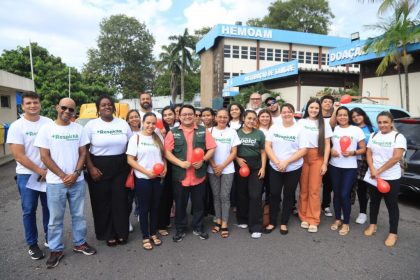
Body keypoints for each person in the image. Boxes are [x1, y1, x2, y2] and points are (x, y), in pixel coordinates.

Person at [34, 98, 96, 269]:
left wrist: (76, 173)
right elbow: (44, 156)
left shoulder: (79, 128)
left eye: (71, 109)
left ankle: (80, 243)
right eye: (64, 108)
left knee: (79, 216)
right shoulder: (46, 129)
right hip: (55, 182)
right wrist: (63, 176)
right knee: (55, 219)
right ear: (57, 108)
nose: (67, 111)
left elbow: (83, 152)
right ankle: (56, 249)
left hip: (77, 181)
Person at [7, 91, 52, 260]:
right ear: (22, 105)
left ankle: (49, 238)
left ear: (40, 103)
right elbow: (19, 155)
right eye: (28, 103)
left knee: (50, 208)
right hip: (27, 175)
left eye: (35, 102)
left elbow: (54, 147)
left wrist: (48, 171)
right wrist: (40, 171)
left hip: (49, 173)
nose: (32, 105)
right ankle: (32, 244)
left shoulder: (48, 123)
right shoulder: (17, 126)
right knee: (29, 210)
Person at [84, 95, 132, 247]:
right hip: (98, 166)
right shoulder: (91, 125)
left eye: (109, 104)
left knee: (120, 201)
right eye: (103, 105)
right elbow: (84, 150)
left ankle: (121, 232)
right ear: (98, 108)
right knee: (102, 202)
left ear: (114, 107)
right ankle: (107, 233)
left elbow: (130, 146)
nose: (107, 107)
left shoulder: (123, 124)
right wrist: (91, 168)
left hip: (121, 166)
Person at [164, 105, 216, 242]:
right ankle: (180, 229)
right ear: (179, 116)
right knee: (180, 204)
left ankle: (198, 227)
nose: (187, 116)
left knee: (199, 204)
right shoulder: (172, 132)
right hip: (180, 177)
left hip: (199, 176)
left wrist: (203, 159)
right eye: (184, 114)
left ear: (194, 116)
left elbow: (212, 148)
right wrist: (180, 163)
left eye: (190, 114)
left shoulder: (203, 131)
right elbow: (167, 152)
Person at [364, 111, 406, 247]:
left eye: (385, 122)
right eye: (380, 122)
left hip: (390, 177)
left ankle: (393, 233)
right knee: (374, 202)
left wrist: (378, 171)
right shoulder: (374, 135)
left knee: (391, 205)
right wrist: (372, 169)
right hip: (374, 176)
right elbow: (368, 152)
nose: (382, 125)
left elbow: (396, 157)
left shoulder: (398, 137)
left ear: (391, 123)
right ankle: (372, 225)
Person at [264, 103, 307, 235]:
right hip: (275, 167)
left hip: (293, 167)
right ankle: (272, 222)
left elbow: (303, 150)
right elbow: (268, 146)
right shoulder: (274, 127)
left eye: (289, 111)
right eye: (284, 112)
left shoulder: (300, 129)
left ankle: (284, 222)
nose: (287, 114)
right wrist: (277, 162)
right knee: (274, 194)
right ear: (281, 114)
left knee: (289, 195)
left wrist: (286, 162)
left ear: (293, 113)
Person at [127, 112, 166, 250]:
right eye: (148, 122)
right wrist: (147, 172)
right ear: (143, 122)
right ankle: (145, 236)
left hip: (158, 178)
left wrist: (165, 168)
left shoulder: (158, 136)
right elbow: (130, 160)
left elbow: (163, 155)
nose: (151, 125)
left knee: (155, 207)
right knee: (144, 209)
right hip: (143, 179)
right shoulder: (135, 138)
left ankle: (153, 233)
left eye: (153, 123)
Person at [329, 107, 366, 236]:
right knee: (337, 194)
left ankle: (346, 223)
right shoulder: (333, 129)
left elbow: (363, 149)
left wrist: (352, 152)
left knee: (345, 194)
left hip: (350, 167)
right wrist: (330, 151)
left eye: (345, 115)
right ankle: (338, 219)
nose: (342, 117)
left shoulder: (356, 130)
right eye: (340, 115)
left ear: (348, 116)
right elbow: (327, 145)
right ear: (337, 117)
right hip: (334, 166)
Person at [298, 98, 332, 233]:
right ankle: (304, 216)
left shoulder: (324, 123)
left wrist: (325, 163)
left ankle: (313, 219)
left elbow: (328, 144)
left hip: (317, 157)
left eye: (316, 108)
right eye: (311, 107)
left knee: (314, 190)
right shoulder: (300, 122)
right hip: (302, 156)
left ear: (320, 109)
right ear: (307, 108)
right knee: (303, 189)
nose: (314, 110)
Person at [208, 109, 241, 238]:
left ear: (228, 118)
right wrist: (214, 165)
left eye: (225, 117)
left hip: (227, 169)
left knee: (224, 196)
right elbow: (207, 150)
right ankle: (218, 221)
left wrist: (222, 166)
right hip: (212, 169)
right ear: (215, 118)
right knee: (216, 196)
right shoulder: (209, 131)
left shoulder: (232, 132)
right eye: (220, 117)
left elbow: (234, 152)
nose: (222, 119)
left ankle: (225, 223)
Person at [236, 110, 266, 239]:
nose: (251, 121)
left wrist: (263, 167)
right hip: (241, 164)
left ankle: (255, 226)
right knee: (241, 193)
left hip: (256, 166)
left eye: (254, 119)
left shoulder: (259, 133)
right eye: (249, 118)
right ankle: (243, 219)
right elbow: (231, 150)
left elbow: (263, 151)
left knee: (255, 195)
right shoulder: (236, 133)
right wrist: (237, 159)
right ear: (244, 118)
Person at [350, 107, 377, 224]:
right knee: (349, 187)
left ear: (363, 115)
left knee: (362, 188)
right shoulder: (350, 129)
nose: (356, 118)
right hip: (350, 160)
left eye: (358, 115)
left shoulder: (372, 129)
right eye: (354, 116)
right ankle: (345, 210)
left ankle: (362, 213)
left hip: (366, 162)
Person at [157, 106, 177, 236]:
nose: (168, 117)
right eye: (165, 115)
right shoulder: (159, 130)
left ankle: (177, 220)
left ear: (175, 115)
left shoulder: (180, 127)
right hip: (165, 165)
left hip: (179, 165)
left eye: (170, 114)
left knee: (175, 195)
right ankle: (161, 224)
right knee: (164, 195)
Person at [320, 94, 338, 217]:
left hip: (330, 152)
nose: (327, 103)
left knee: (328, 181)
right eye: (325, 101)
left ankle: (325, 205)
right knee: (313, 181)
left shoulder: (335, 117)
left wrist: (336, 110)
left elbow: (331, 125)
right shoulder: (315, 115)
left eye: (329, 102)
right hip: (315, 152)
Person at [126, 109, 142, 232]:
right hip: (128, 168)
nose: (134, 119)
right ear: (127, 120)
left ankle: (141, 215)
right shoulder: (125, 133)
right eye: (131, 117)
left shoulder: (145, 131)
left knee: (141, 195)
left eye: (136, 116)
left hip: (142, 168)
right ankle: (127, 221)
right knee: (128, 197)